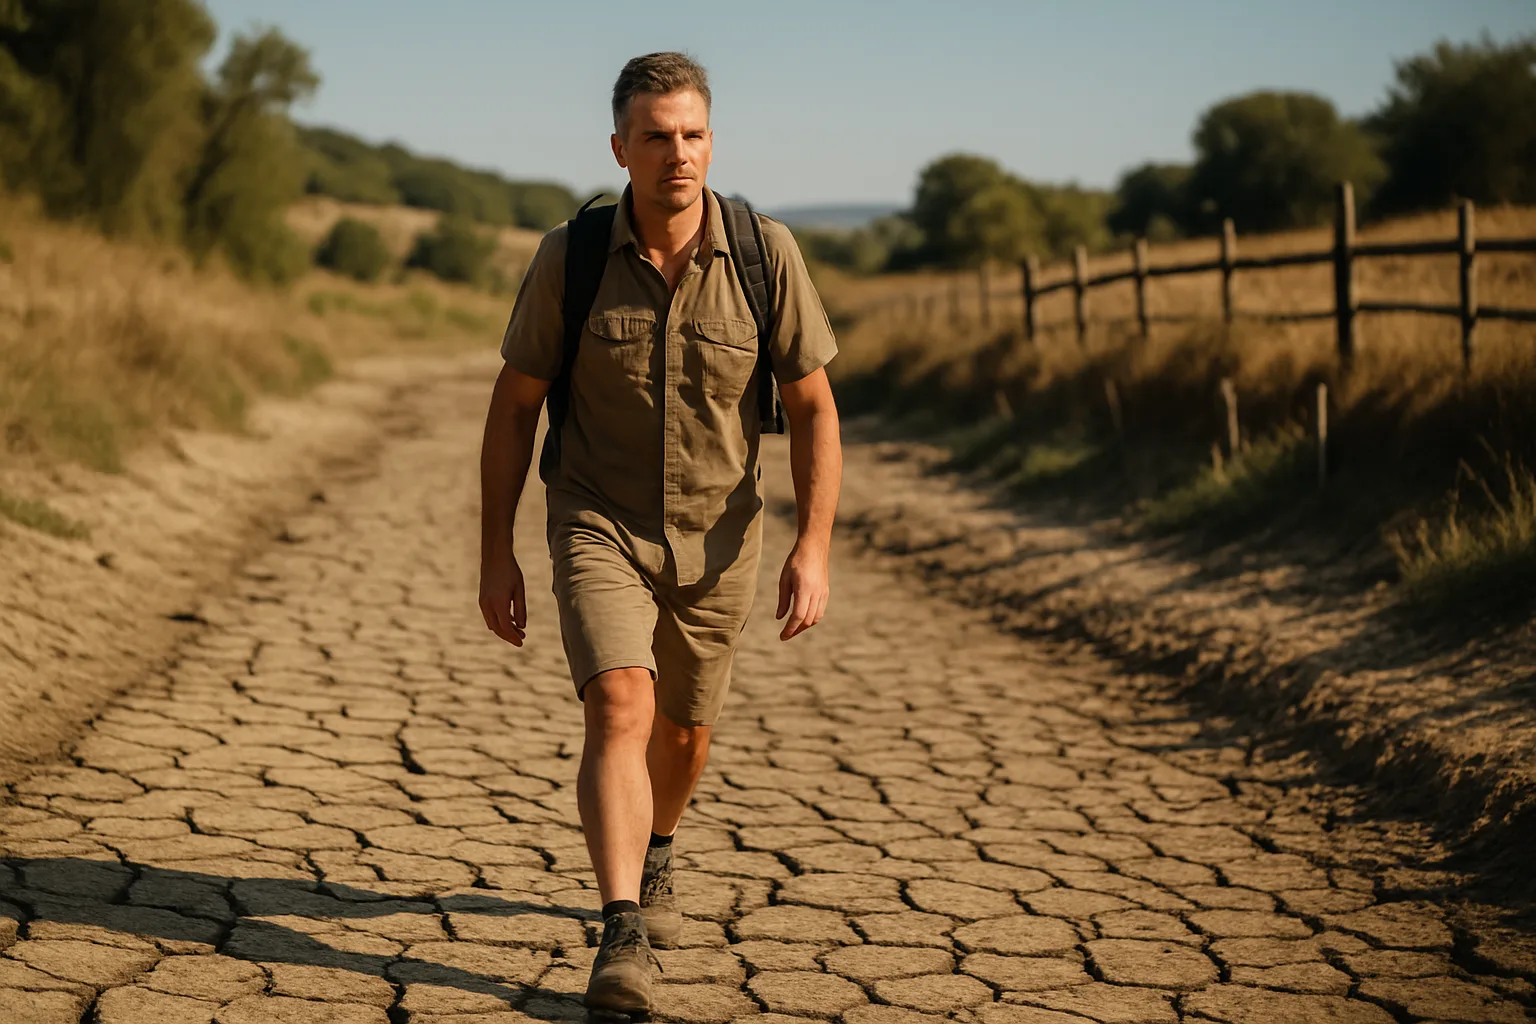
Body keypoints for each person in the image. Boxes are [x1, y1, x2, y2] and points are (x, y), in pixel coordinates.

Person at [477, 51, 842, 1017]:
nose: (676, 155)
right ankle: (621, 930)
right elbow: (515, 408)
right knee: (620, 709)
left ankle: (661, 844)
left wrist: (813, 548)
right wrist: (494, 551)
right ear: (620, 148)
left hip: (719, 540)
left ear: (710, 141)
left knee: (682, 733)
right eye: (655, 137)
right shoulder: (574, 256)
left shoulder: (767, 258)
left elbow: (813, 411)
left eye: (692, 135)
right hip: (597, 518)